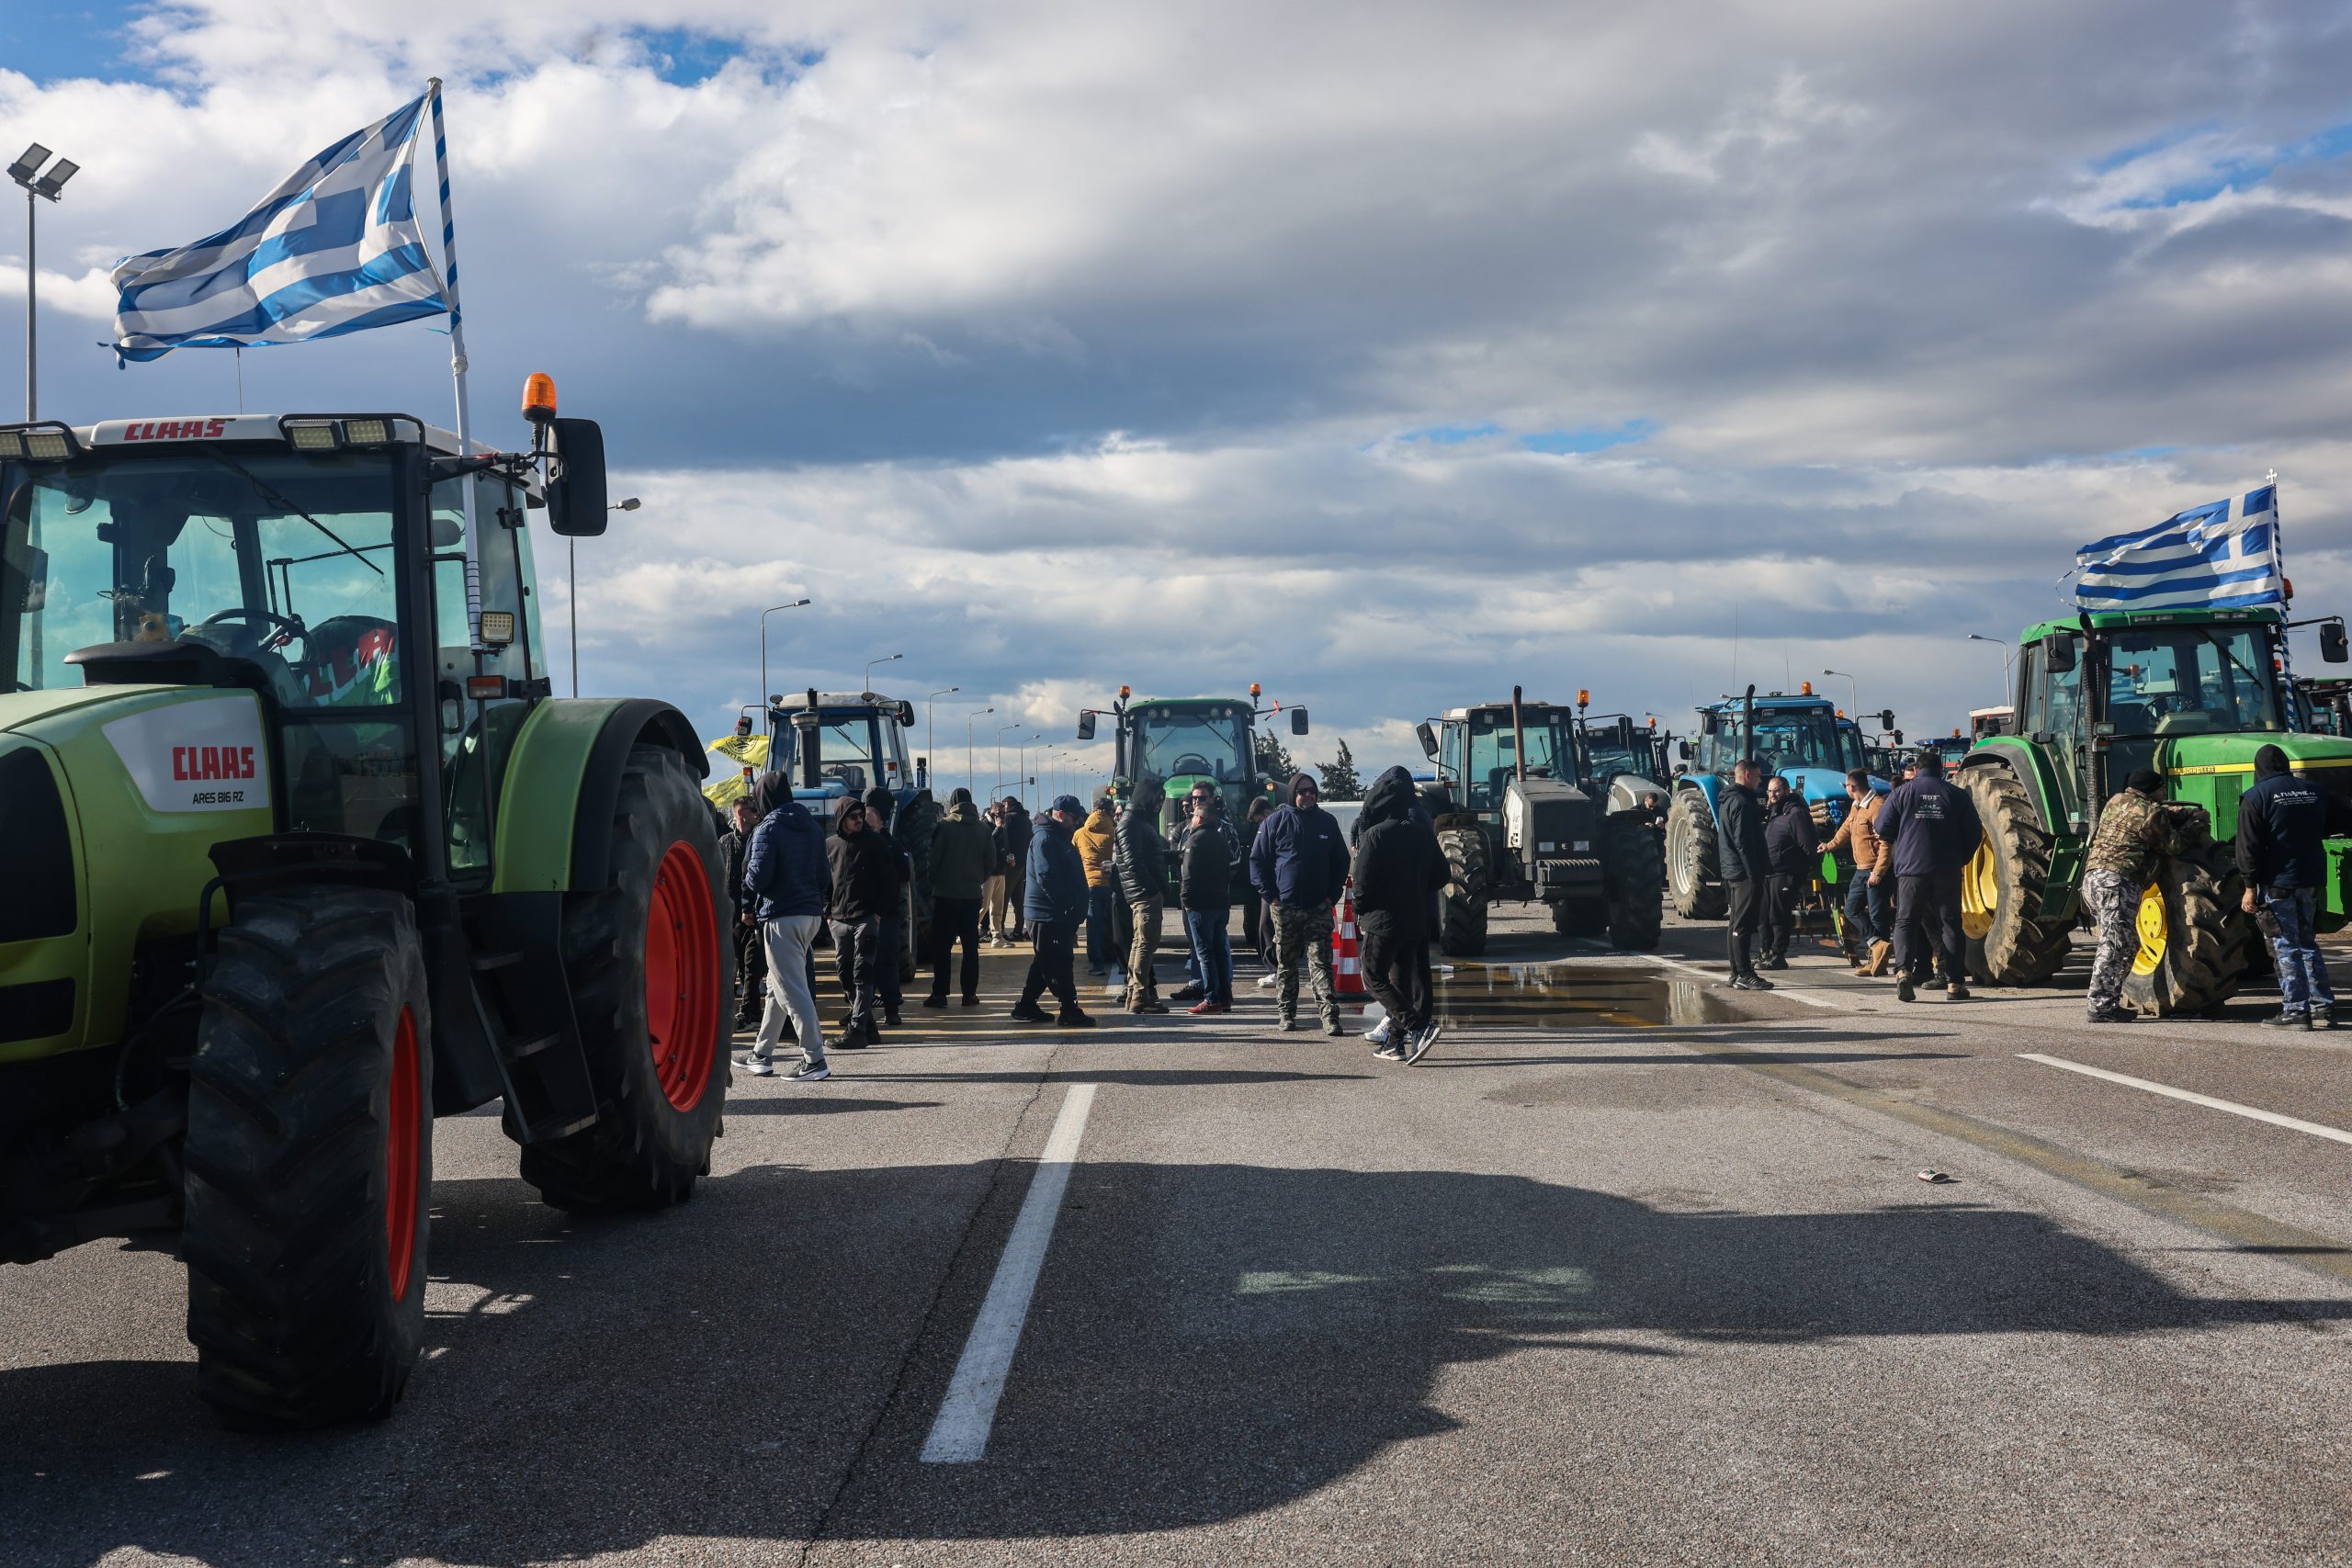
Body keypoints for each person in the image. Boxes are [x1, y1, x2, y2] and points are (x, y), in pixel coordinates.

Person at [2236, 745, 2349, 1029]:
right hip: (2310, 879)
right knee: (2308, 942)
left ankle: (2296, 1011)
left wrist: (2249, 886)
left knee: (2284, 945)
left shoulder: (2255, 797)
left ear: (2258, 768)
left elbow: (2247, 847)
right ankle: (2322, 1007)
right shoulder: (2315, 791)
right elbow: (2345, 820)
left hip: (2277, 883)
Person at [1351, 766, 1449, 1062]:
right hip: (1414, 918)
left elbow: (1362, 883)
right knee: (1400, 979)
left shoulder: (1375, 835)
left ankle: (1418, 1026)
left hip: (1383, 920)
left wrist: (1359, 910)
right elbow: (1442, 875)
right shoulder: (1422, 832)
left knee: (1373, 977)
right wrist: (1417, 890)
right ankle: (1394, 1042)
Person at [1870, 750, 1982, 1004]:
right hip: (1946, 870)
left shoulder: (1902, 793)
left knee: (1906, 922)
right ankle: (1954, 984)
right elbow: (1974, 833)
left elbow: (1882, 828)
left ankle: (1903, 972)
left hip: (1911, 870)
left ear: (1918, 769)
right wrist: (1959, 859)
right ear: (1940, 768)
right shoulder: (1956, 794)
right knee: (1950, 924)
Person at [740, 772, 831, 1081]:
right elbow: (824, 876)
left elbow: (758, 878)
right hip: (809, 915)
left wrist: (748, 876)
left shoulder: (768, 827)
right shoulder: (811, 826)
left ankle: (814, 1059)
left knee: (791, 988)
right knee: (779, 986)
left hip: (780, 915)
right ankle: (761, 1053)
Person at [1249, 772, 1351, 1034]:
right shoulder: (1275, 822)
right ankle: (1287, 1015)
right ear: (1293, 793)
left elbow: (1341, 861)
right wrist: (1271, 897)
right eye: (1302, 791)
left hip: (1319, 907)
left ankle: (1330, 1017)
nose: (1307, 795)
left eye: (1312, 791)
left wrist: (1331, 896)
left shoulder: (1326, 823)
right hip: (1285, 908)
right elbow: (1257, 862)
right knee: (1287, 965)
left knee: (1321, 965)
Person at [2079, 768, 2180, 1023]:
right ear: (2153, 790)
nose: (2164, 793)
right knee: (2116, 945)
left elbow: (2135, 820)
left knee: (2127, 943)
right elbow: (2173, 845)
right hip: (2117, 883)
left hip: (2093, 879)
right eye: (2161, 789)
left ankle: (2105, 1001)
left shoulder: (2115, 801)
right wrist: (2194, 823)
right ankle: (2100, 1006)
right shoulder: (2151, 812)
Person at [1011, 795, 1097, 1027]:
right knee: (1058, 962)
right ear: (1060, 815)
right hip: (1047, 914)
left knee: (1045, 961)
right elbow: (1046, 876)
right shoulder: (1046, 839)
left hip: (1054, 913)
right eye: (1074, 816)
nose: (1078, 820)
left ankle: (1027, 1005)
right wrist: (1067, 903)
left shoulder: (1057, 836)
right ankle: (1069, 1008)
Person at [824, 796, 900, 1045]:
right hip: (839, 920)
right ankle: (868, 1026)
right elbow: (825, 881)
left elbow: (889, 881)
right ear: (841, 819)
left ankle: (857, 1029)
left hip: (866, 919)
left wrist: (878, 912)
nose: (859, 820)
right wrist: (828, 912)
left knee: (862, 973)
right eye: (853, 816)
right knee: (845, 974)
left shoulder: (875, 843)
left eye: (861, 816)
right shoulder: (830, 845)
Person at [924, 786, 994, 1008]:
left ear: (952, 803)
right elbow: (990, 862)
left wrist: (936, 881)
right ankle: (969, 994)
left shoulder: (944, 826)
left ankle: (940, 994)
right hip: (972, 896)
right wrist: (977, 879)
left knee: (942, 947)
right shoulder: (983, 829)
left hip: (945, 896)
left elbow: (932, 859)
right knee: (970, 947)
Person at [1820, 769, 1890, 974]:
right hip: (1861, 869)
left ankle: (1878, 963)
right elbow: (1846, 828)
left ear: (1851, 787)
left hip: (1875, 870)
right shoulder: (1857, 805)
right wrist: (1830, 845)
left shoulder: (1877, 806)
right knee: (1851, 909)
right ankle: (1877, 945)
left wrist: (1879, 871)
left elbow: (1886, 842)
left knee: (1878, 916)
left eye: (1846, 786)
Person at [1114, 776, 1170, 1013]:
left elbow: (1144, 855)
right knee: (1146, 943)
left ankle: (1135, 991)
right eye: (1157, 799)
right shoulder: (1131, 823)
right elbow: (1133, 861)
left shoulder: (1138, 821)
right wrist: (1153, 890)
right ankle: (1139, 995)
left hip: (1143, 893)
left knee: (1141, 943)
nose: (1160, 805)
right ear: (1147, 796)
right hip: (1144, 895)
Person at [1178, 789, 1238, 1014]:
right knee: (1221, 952)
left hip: (1200, 906)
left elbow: (1189, 874)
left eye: (1194, 816)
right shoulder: (1222, 839)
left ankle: (1211, 999)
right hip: (1221, 904)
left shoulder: (1195, 840)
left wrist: (1186, 901)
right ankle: (1225, 996)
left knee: (1205, 954)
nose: (1191, 819)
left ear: (1199, 819)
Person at [1717, 758, 1772, 991]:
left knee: (1735, 923)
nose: (1760, 781)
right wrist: (1754, 873)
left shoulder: (1729, 800)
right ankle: (1744, 973)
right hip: (1744, 872)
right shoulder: (1741, 803)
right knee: (1743, 924)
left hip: (1734, 870)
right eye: (1759, 776)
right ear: (1747, 775)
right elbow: (1744, 842)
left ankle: (1735, 971)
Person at [1758, 775, 1819, 969]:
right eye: (1769, 791)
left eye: (1776, 790)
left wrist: (1803, 869)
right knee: (1763, 916)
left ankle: (1778, 955)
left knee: (1778, 916)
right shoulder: (1774, 813)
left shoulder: (1796, 814)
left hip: (1786, 873)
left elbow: (1808, 846)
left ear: (1786, 790)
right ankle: (1764, 952)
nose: (1772, 794)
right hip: (1768, 872)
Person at [719, 797, 769, 1032]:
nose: (756, 813)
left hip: (754, 913)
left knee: (752, 966)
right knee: (731, 965)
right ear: (740, 813)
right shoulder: (724, 843)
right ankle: (729, 1011)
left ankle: (750, 1012)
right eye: (752, 810)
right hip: (730, 914)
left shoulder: (760, 838)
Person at [1170, 783, 1221, 1002]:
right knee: (1196, 944)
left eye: (1201, 798)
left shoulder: (1222, 828)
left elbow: (1233, 861)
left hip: (1208, 897)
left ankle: (1214, 993)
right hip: (1191, 894)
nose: (1196, 803)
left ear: (1212, 799)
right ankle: (1200, 985)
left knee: (1214, 949)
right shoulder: (1183, 828)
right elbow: (1176, 854)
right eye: (1193, 799)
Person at [863, 786, 909, 1027]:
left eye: (870, 825)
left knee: (886, 962)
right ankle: (860, 1012)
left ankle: (892, 1009)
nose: (866, 829)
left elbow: (901, 879)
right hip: (860, 915)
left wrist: (882, 910)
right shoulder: (854, 846)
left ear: (881, 824)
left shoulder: (894, 848)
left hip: (887, 916)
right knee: (860, 966)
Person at [1075, 790, 1118, 976]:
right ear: (1109, 812)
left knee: (1093, 924)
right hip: (1111, 884)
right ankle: (1116, 957)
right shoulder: (1114, 831)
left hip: (1089, 884)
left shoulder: (1079, 833)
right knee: (1114, 923)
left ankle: (1097, 964)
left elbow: (1074, 857)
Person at [1240, 796, 1273, 963]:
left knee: (1267, 924)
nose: (1259, 825)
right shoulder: (1263, 829)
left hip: (1273, 884)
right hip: (1264, 882)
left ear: (1267, 813)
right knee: (1263, 923)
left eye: (1260, 820)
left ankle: (1272, 962)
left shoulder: (1275, 826)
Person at [999, 797, 1034, 942]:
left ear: (1007, 804)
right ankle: (1018, 930)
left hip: (1011, 864)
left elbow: (1005, 839)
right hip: (1023, 863)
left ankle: (1000, 930)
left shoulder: (1009, 818)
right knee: (1018, 899)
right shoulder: (1026, 820)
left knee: (1003, 897)